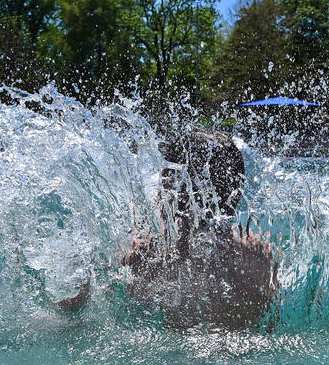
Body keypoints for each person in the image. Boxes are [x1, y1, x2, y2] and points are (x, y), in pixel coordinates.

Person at [118, 128, 279, 330]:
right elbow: (272, 319)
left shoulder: (143, 253)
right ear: (236, 192)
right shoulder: (257, 255)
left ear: (168, 188)